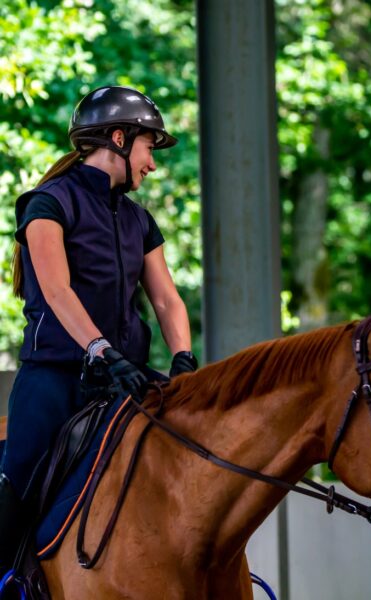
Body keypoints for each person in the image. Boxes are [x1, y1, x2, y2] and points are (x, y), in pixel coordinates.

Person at [0, 85, 198, 577]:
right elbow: (58, 291)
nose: (152, 163)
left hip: (125, 378)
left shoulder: (139, 220)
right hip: (55, 378)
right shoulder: (46, 204)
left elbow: (167, 299)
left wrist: (183, 360)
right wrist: (101, 350)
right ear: (118, 138)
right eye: (150, 147)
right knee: (19, 479)